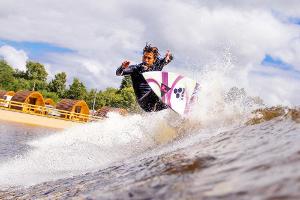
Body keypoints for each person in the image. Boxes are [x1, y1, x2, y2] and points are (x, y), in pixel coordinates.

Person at [116, 44, 173, 112]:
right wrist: (122, 67)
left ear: (154, 60)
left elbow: (168, 59)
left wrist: (169, 56)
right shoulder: (136, 68)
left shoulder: (157, 66)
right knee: (160, 87)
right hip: (144, 102)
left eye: (149, 58)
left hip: (156, 102)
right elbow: (118, 73)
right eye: (144, 57)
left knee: (169, 93)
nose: (146, 60)